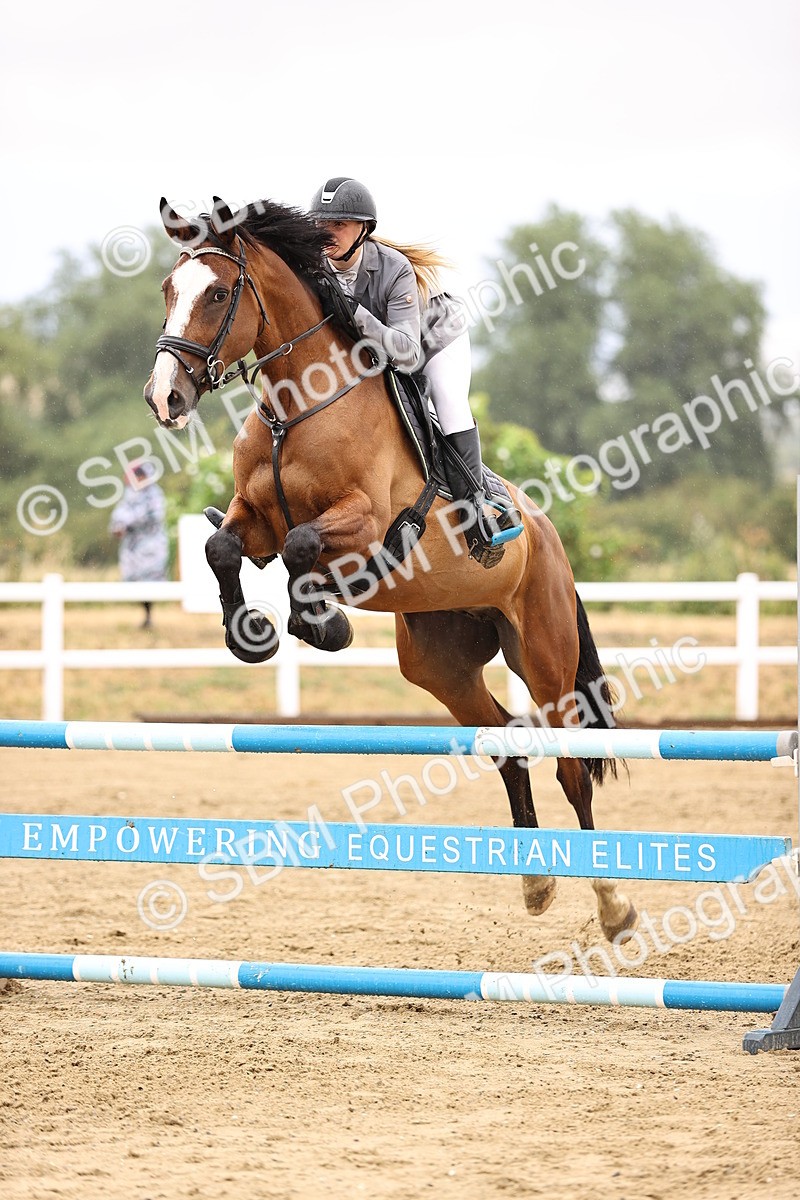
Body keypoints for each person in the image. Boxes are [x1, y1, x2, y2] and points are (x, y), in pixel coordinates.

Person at [307, 176, 522, 567]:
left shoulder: (395, 268)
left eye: (338, 224)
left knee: (449, 404)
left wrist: (354, 313)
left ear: (363, 229)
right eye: (321, 224)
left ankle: (477, 511)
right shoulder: (313, 267)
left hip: (432, 339)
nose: (327, 233)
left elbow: (406, 355)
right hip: (368, 356)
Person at [109, 460, 169, 628]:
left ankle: (149, 615)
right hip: (132, 546)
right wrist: (117, 526)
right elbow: (119, 513)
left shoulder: (154, 494)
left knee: (150, 578)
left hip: (151, 545)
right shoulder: (130, 493)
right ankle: (145, 615)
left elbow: (154, 515)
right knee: (135, 579)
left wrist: (128, 522)